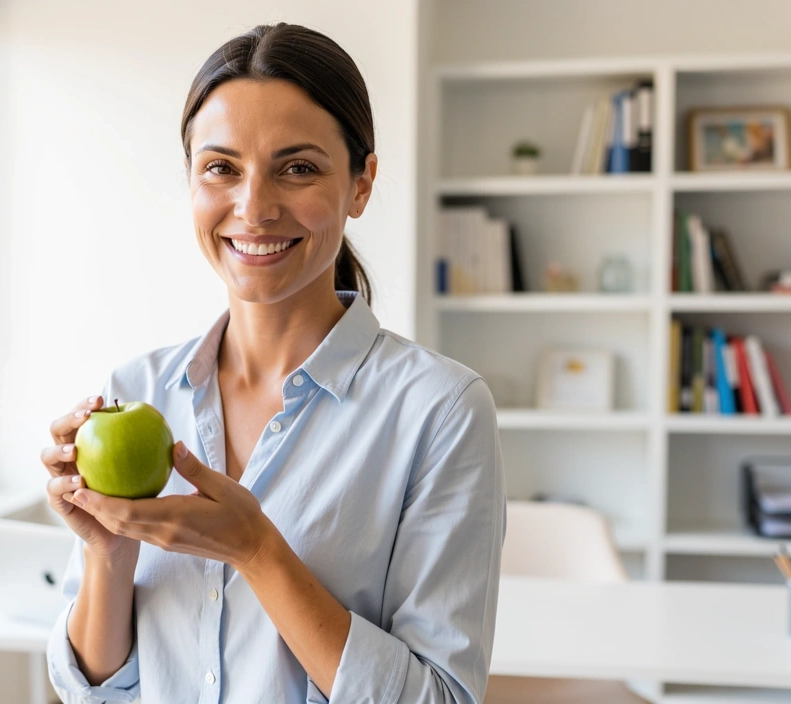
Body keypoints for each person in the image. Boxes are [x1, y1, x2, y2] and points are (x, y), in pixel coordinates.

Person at [40, 22, 505, 704]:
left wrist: (257, 548)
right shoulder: (132, 391)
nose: (253, 209)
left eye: (298, 168)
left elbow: (438, 697)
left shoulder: (440, 411)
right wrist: (108, 552)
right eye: (221, 168)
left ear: (360, 184)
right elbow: (98, 691)